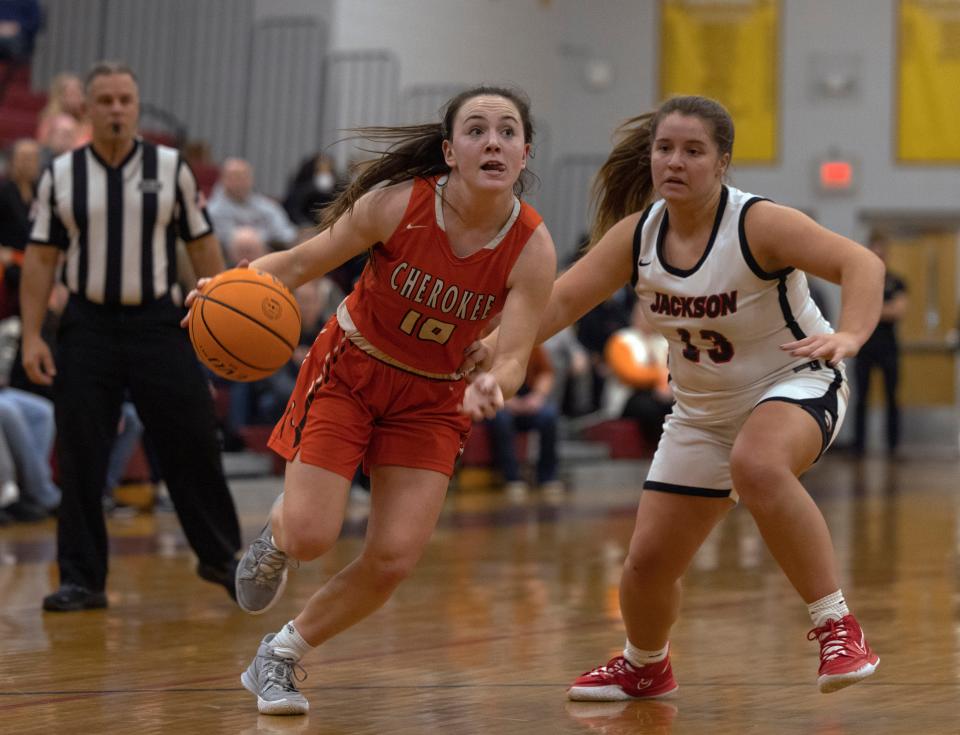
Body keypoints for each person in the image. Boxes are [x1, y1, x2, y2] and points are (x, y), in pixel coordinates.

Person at [462, 95, 885, 697]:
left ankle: (838, 627)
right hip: (703, 413)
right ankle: (645, 664)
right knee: (647, 566)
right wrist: (493, 344)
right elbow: (557, 303)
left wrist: (850, 334)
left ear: (722, 163)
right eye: (665, 148)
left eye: (693, 151)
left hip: (796, 382)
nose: (675, 161)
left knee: (758, 464)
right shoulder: (637, 236)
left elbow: (860, 263)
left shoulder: (757, 223)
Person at [190, 85, 556, 716]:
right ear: (448, 150)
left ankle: (277, 655)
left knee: (392, 558)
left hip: (433, 399)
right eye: (475, 130)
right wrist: (231, 286)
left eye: (506, 131)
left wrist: (498, 380)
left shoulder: (533, 247)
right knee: (310, 536)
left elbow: (517, 354)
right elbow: (304, 261)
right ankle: (277, 538)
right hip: (352, 370)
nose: (492, 141)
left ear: (524, 154)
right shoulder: (397, 204)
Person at [20, 60, 241, 612]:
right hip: (87, 326)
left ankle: (221, 558)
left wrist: (216, 314)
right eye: (106, 100)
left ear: (136, 107)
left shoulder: (171, 168)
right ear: (87, 110)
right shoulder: (60, 175)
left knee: (192, 437)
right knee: (81, 454)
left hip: (156, 324)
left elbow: (201, 246)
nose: (117, 108)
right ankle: (82, 579)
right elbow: (42, 258)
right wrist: (30, 336)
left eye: (125, 99)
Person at [851, 231, 908, 456]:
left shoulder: (897, 281)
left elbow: (899, 311)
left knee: (892, 398)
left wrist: (872, 310)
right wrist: (883, 310)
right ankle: (859, 446)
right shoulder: (860, 280)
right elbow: (854, 310)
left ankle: (893, 446)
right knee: (861, 398)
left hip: (889, 348)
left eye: (881, 252)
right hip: (864, 347)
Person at [487, 344, 562, 500]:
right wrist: (506, 401)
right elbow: (477, 375)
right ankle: (512, 478)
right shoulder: (484, 338)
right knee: (501, 420)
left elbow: (546, 372)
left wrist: (538, 396)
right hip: (498, 401)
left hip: (528, 398)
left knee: (549, 416)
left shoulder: (533, 342)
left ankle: (547, 477)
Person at [206, 157, 298, 251]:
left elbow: (287, 234)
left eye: (244, 176)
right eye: (235, 177)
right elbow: (224, 239)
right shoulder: (212, 211)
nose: (240, 182)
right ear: (223, 179)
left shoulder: (267, 206)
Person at [35, 72, 92, 149]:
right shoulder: (51, 121)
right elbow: (43, 148)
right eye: (72, 94)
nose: (77, 98)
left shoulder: (90, 121)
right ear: (60, 97)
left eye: (80, 93)